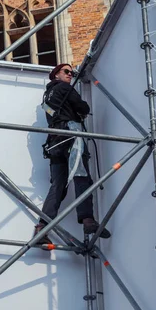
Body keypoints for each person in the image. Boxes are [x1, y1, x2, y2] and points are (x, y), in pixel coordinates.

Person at [34, 63, 111, 245]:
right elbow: (83, 107)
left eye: (72, 72)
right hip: (71, 135)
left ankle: (42, 227)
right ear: (56, 75)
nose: (70, 75)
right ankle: (88, 220)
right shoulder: (64, 88)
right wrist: (79, 111)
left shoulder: (46, 97)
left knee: (58, 186)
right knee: (81, 176)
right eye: (66, 72)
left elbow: (53, 114)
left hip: (55, 141)